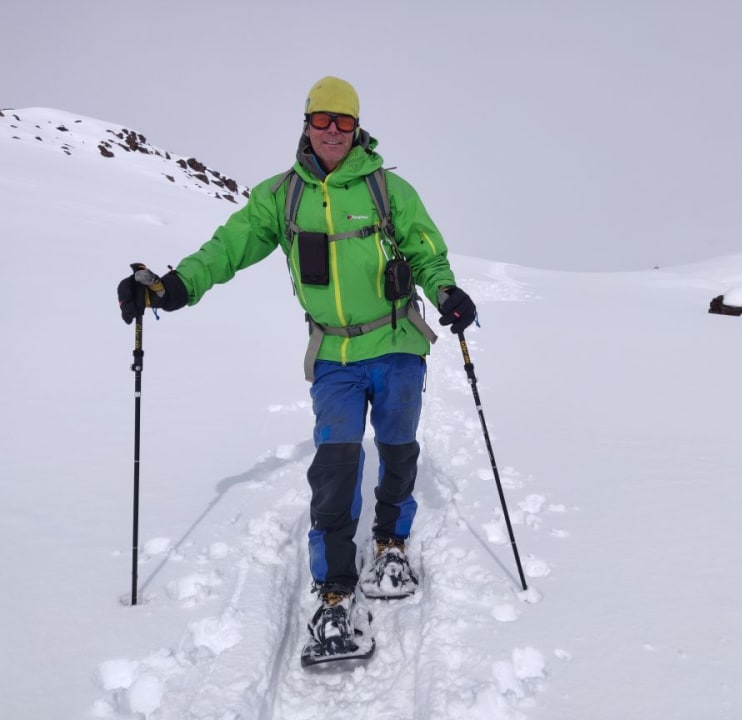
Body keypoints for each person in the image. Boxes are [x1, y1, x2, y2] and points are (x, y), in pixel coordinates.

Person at [117, 76, 476, 650]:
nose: (333, 130)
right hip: (333, 352)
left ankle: (390, 544)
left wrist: (447, 292)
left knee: (398, 447)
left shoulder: (389, 190)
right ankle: (334, 590)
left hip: (397, 342)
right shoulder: (280, 197)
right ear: (306, 123)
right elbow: (227, 248)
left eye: (344, 121)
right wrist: (175, 286)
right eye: (322, 119)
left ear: (357, 128)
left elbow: (425, 250)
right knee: (334, 468)